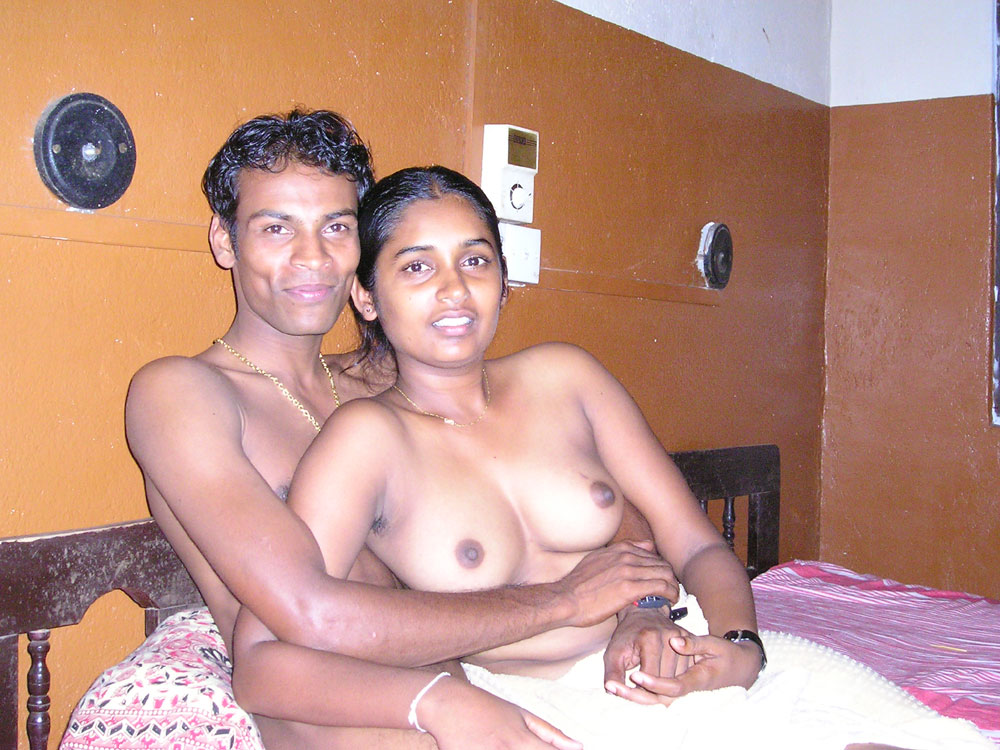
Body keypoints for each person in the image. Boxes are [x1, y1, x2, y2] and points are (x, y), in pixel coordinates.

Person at [124, 110, 692, 749]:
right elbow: (305, 610)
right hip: (326, 703)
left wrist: (638, 604)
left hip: (461, 677)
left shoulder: (386, 380)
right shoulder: (183, 393)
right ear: (225, 241)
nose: (313, 256)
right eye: (276, 228)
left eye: (336, 227)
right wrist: (560, 603)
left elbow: (593, 482)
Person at [229, 165, 764, 748]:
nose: (455, 289)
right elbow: (262, 663)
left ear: (504, 281)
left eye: (475, 260)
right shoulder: (364, 440)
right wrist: (434, 702)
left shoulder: (568, 377)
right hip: (530, 710)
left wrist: (735, 643)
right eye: (417, 266)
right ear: (366, 296)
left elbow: (696, 544)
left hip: (680, 658)